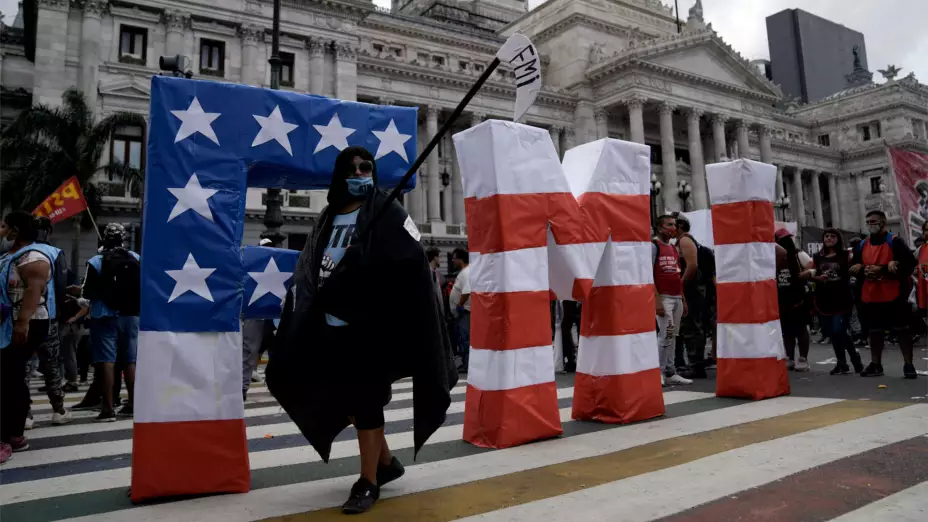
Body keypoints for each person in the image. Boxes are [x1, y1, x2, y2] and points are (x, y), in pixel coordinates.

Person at [266, 146, 455, 515]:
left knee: (366, 403)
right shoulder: (327, 215)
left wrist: (365, 261)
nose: (359, 173)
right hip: (328, 326)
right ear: (341, 174)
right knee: (346, 401)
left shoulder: (387, 211)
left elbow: (414, 258)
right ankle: (385, 463)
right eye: (351, 168)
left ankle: (368, 481)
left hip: (369, 328)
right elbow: (310, 265)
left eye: (365, 167)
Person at [0, 211, 53, 461]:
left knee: (10, 376)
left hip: (27, 323)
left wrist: (22, 323)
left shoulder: (34, 258)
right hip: (7, 324)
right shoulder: (8, 256)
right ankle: (14, 433)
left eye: (4, 226)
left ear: (16, 230)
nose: (1, 230)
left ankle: (8, 436)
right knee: (10, 376)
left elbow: (34, 290)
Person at [81, 223, 141, 421]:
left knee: (106, 361)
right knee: (130, 360)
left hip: (104, 315)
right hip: (131, 316)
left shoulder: (96, 261)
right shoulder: (136, 258)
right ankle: (133, 403)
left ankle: (108, 408)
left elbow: (87, 293)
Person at [850, 210, 917, 378]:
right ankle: (875, 364)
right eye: (868, 222)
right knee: (875, 331)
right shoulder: (863, 244)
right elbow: (855, 266)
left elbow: (909, 264)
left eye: (873, 221)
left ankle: (908, 364)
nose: (870, 225)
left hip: (895, 293)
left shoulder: (895, 242)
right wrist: (862, 270)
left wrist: (885, 268)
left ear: (883, 223)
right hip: (872, 295)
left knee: (902, 329)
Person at [812, 228, 863, 375]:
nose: (829, 238)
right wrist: (816, 278)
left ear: (838, 239)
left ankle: (854, 358)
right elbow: (812, 273)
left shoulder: (846, 255)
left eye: (832, 236)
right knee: (834, 333)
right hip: (824, 300)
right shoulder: (817, 257)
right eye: (826, 236)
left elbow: (855, 270)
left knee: (838, 330)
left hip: (842, 298)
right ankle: (842, 363)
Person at [652, 215, 692, 386]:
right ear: (660, 228)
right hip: (664, 298)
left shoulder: (674, 248)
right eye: (669, 224)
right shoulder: (654, 246)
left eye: (674, 224)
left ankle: (670, 371)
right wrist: (656, 300)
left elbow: (677, 274)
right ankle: (659, 371)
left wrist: (683, 299)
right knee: (665, 335)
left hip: (676, 297)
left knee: (673, 336)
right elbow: (649, 275)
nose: (673, 227)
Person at [672, 213, 711, 378]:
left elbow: (692, 266)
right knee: (686, 327)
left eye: (673, 225)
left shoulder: (685, 240)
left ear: (679, 225)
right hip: (690, 290)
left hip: (691, 290)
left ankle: (696, 365)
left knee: (691, 327)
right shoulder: (681, 241)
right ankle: (691, 364)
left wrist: (679, 285)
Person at [775, 229, 813, 371]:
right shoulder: (774, 256)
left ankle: (803, 358)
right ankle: (789, 357)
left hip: (799, 299)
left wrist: (805, 275)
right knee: (787, 331)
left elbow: (811, 267)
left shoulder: (799, 255)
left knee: (801, 330)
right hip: (782, 300)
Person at [449, 248, 471, 372]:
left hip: (465, 313)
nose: (452, 260)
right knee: (463, 338)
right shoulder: (464, 272)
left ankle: (466, 364)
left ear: (460, 259)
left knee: (465, 339)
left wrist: (460, 305)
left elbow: (467, 291)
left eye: (454, 258)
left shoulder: (466, 272)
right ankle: (465, 362)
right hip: (463, 313)